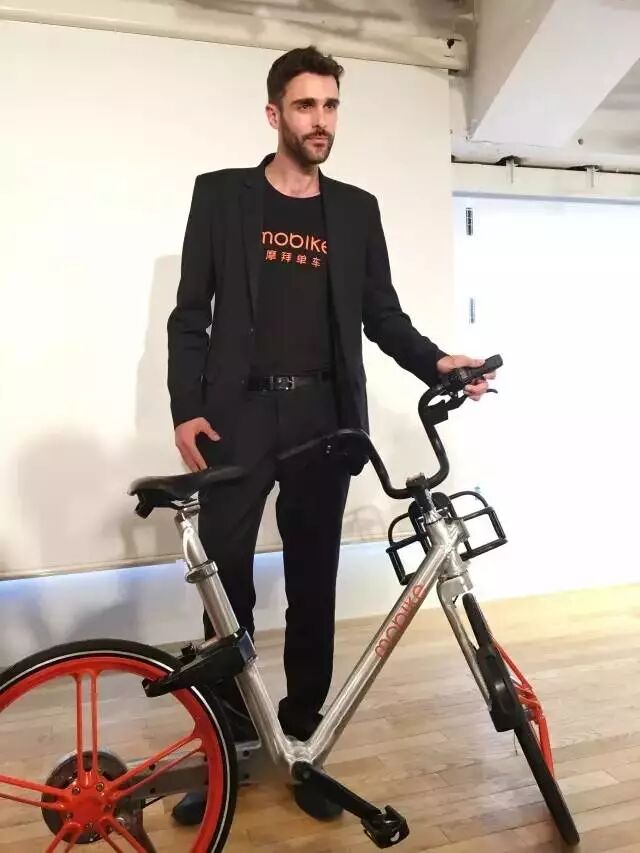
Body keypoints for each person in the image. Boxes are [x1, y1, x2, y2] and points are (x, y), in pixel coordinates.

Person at [167, 45, 493, 825]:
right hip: (240, 416)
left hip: (324, 418)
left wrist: (436, 361)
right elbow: (190, 313)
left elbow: (382, 316)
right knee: (227, 588)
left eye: (331, 105)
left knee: (314, 585)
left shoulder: (354, 210)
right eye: (306, 106)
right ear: (274, 113)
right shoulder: (221, 196)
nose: (321, 120)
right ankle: (231, 747)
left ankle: (307, 739)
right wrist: (185, 406)